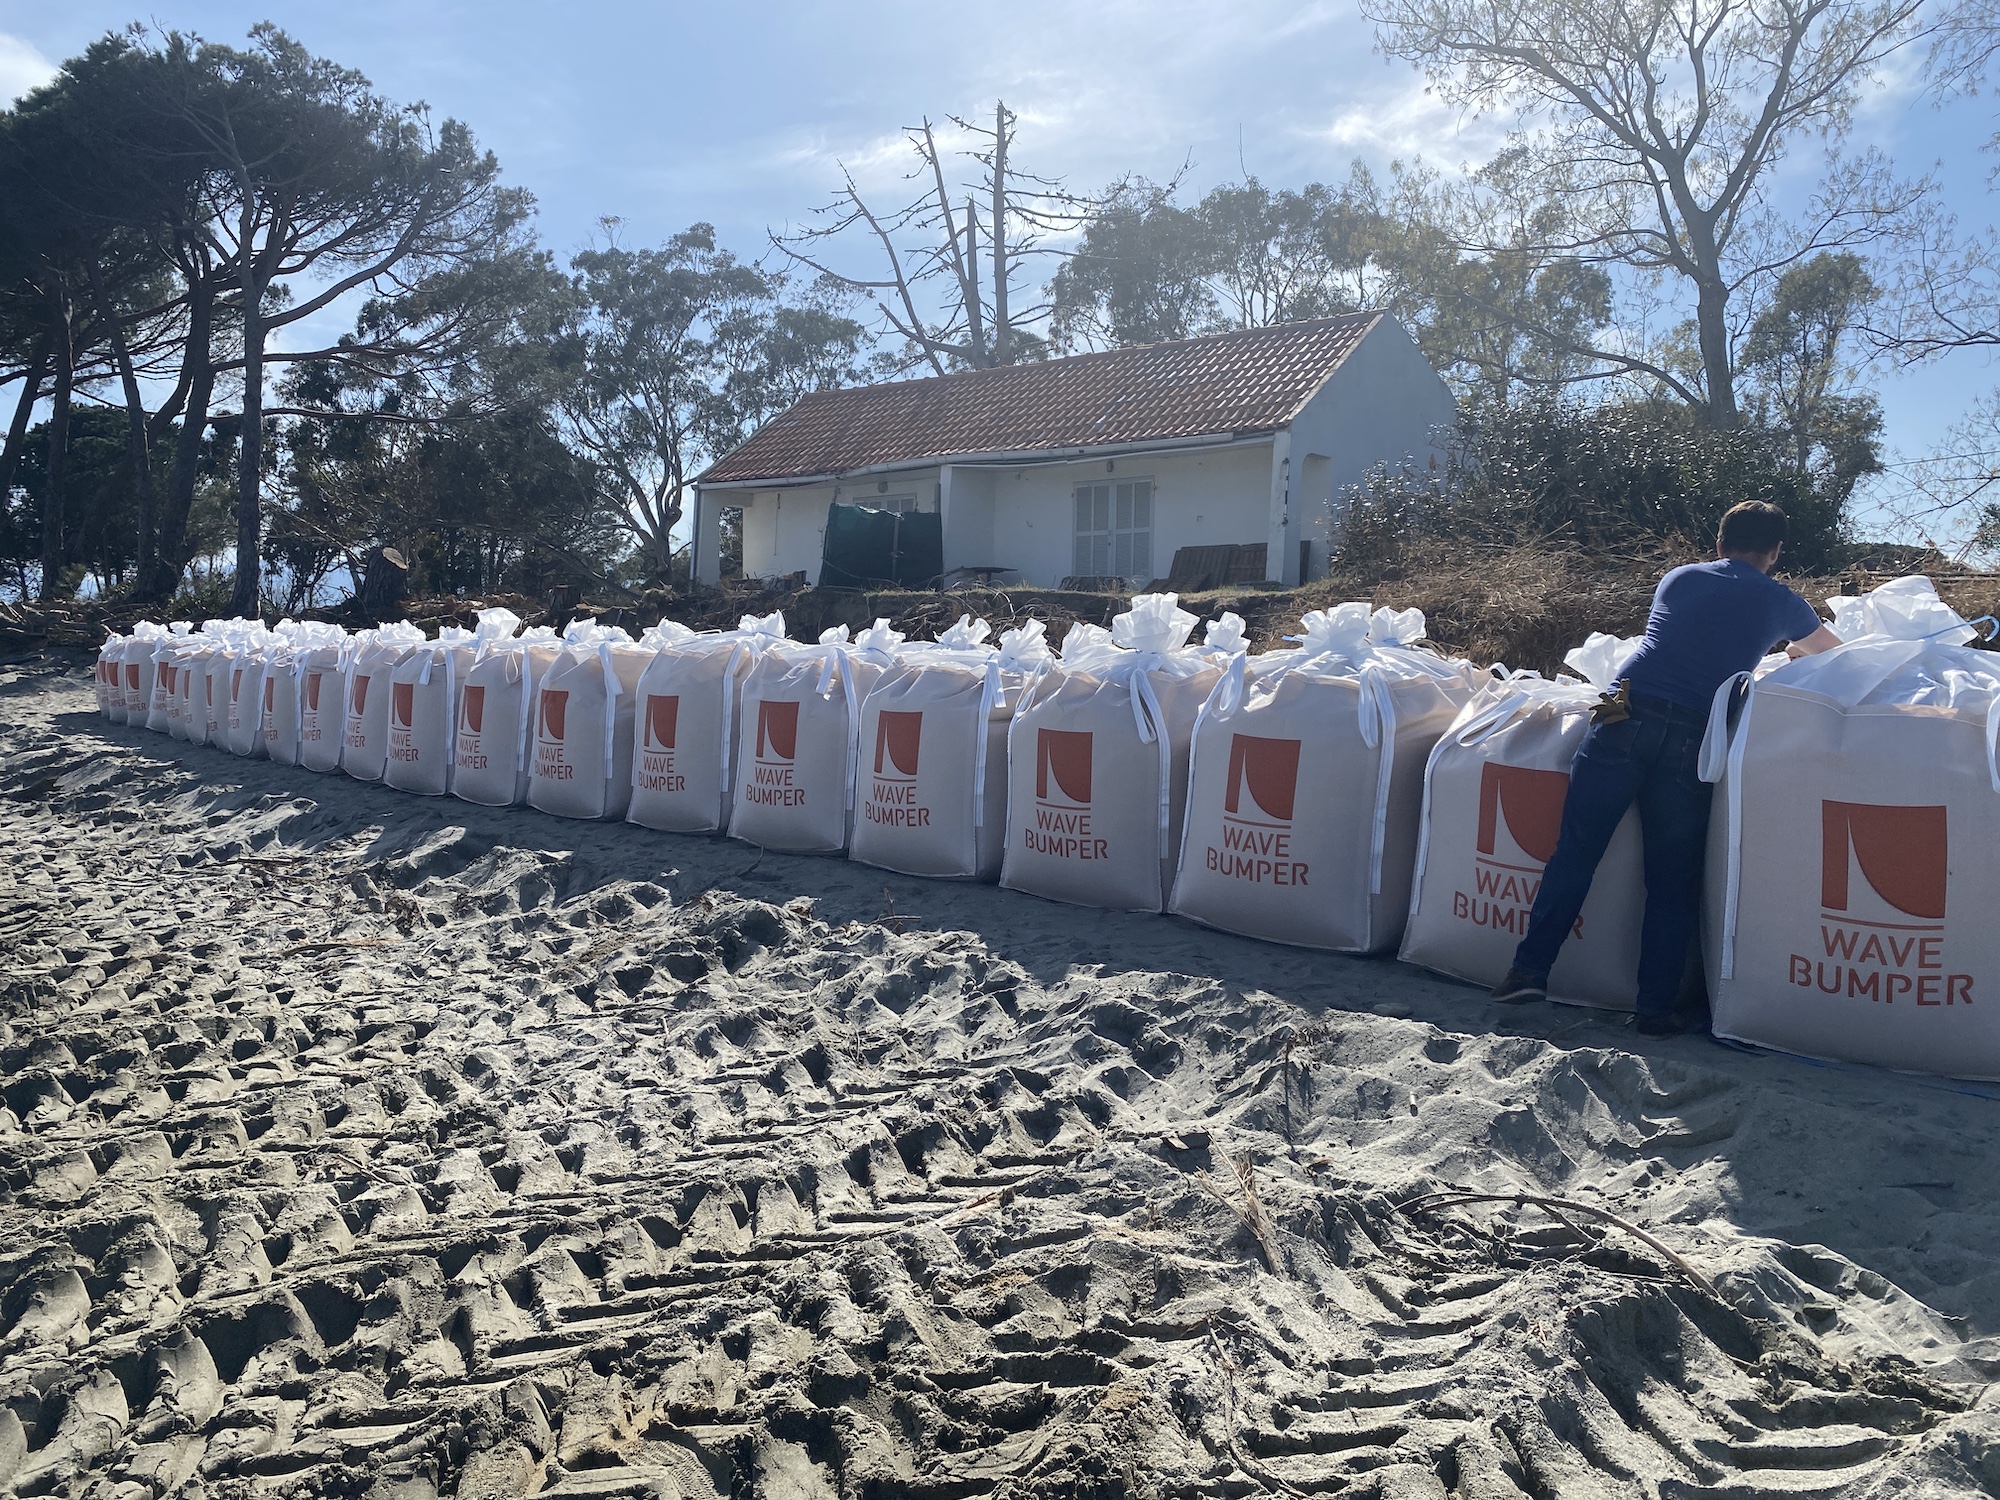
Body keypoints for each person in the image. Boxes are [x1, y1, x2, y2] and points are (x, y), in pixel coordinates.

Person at [1490, 501, 1842, 1034]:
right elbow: (1832, 654)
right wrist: (1793, 647)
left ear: (1719, 544)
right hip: (1692, 732)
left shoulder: (1680, 578)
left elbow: (1686, 638)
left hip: (1621, 708)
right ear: (1775, 553)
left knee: (1577, 848)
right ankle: (1654, 1009)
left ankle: (1527, 971)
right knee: (1672, 875)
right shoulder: (1782, 601)